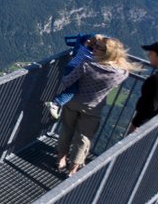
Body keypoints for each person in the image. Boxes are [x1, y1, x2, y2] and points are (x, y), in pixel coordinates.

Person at [55, 36, 135, 176]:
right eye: (95, 46)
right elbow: (122, 68)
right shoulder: (120, 73)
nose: (94, 49)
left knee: (67, 129)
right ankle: (73, 169)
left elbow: (67, 82)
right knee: (83, 137)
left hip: (73, 102)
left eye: (98, 47)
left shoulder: (87, 64)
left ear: (107, 53)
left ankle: (62, 158)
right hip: (93, 107)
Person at [45, 33, 98, 120]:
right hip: (75, 69)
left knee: (72, 88)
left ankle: (58, 103)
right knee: (73, 90)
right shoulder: (92, 55)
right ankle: (56, 103)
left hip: (70, 67)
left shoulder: (83, 48)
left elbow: (79, 45)